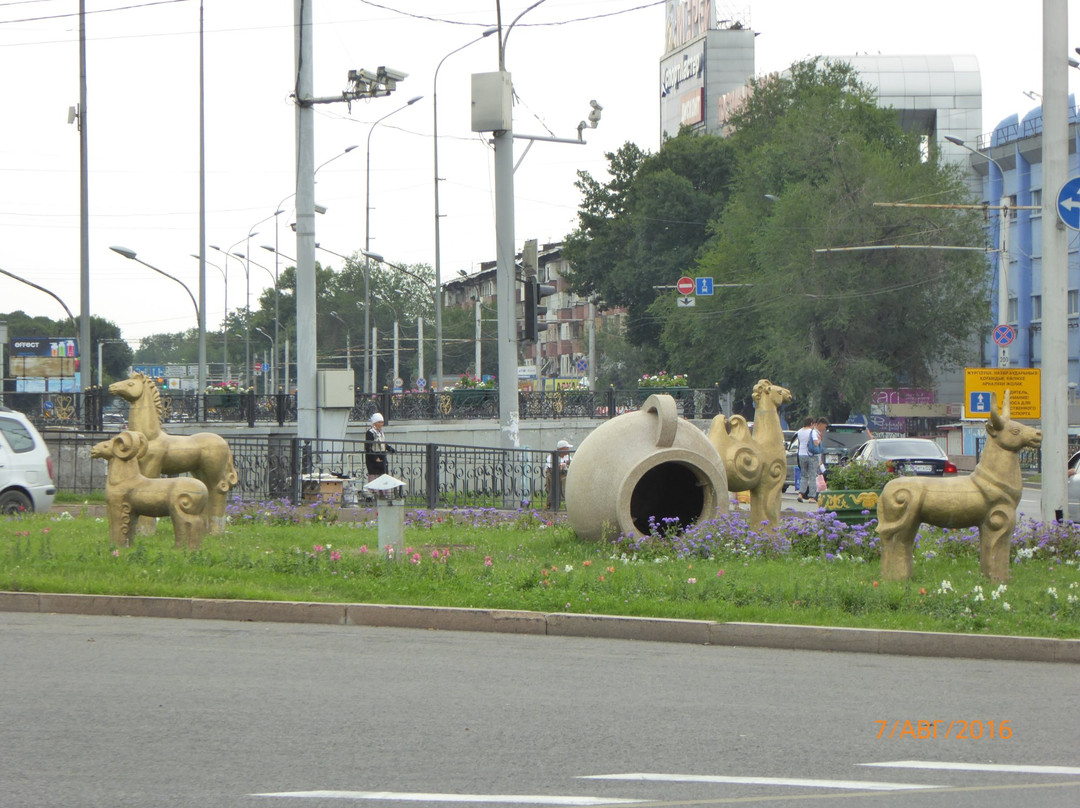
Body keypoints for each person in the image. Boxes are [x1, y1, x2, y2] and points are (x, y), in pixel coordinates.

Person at [364, 412, 396, 487]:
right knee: (374, 476)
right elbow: (368, 447)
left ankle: (384, 492)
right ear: (374, 423)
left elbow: (383, 443)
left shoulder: (380, 432)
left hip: (381, 454)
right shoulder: (370, 432)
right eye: (379, 422)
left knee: (383, 474)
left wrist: (390, 449)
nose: (381, 424)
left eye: (382, 422)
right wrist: (375, 458)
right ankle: (375, 493)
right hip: (374, 457)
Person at [795, 417, 821, 502]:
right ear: (811, 424)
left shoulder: (799, 432)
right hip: (811, 455)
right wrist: (819, 440)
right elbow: (816, 443)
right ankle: (812, 497)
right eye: (813, 424)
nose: (814, 426)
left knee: (804, 475)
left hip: (801, 455)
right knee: (812, 476)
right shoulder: (812, 432)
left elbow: (799, 444)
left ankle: (800, 494)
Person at [545, 439, 573, 509]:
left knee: (566, 490)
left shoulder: (568, 456)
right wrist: (563, 465)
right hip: (553, 476)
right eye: (567, 448)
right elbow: (552, 468)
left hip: (564, 476)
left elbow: (571, 463)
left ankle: (567, 506)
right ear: (562, 449)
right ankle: (551, 506)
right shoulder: (552, 456)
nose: (568, 450)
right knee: (553, 491)